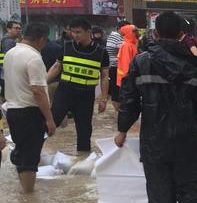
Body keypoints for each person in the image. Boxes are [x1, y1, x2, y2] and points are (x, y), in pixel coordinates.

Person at [114, 11, 197, 203]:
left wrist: (122, 130)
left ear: (156, 33)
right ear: (181, 34)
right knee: (190, 192)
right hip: (186, 139)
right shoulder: (194, 62)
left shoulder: (141, 62)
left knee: (160, 194)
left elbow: (129, 100)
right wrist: (192, 128)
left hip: (153, 140)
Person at [3, 23, 57, 193]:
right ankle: (28, 198)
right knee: (30, 157)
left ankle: (24, 193)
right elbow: (38, 91)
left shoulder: (10, 53)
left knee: (22, 152)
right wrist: (49, 119)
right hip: (29, 112)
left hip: (12, 110)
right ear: (41, 39)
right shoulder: (34, 57)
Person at [47, 17, 110, 153]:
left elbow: (105, 77)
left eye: (78, 32)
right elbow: (56, 67)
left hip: (86, 95)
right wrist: (41, 84)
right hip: (65, 92)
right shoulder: (66, 47)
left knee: (84, 129)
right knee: (52, 121)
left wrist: (104, 99)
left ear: (89, 32)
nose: (75, 35)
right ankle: (32, 149)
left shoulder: (101, 52)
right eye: (73, 32)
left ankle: (83, 159)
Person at [105, 20, 128, 111]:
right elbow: (124, 52)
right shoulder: (118, 38)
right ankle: (119, 110)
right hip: (116, 67)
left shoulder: (113, 36)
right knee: (117, 90)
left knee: (116, 90)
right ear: (119, 29)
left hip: (113, 66)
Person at [0, 20, 23, 99]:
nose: (19, 30)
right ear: (8, 29)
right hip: (8, 76)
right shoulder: (8, 42)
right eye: (16, 28)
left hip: (5, 76)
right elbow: (10, 59)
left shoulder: (9, 40)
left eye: (20, 28)